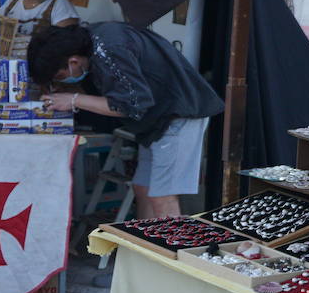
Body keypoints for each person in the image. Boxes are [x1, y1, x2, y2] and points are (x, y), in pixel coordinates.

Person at [28, 23, 224, 219]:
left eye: (60, 77)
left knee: (163, 196)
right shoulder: (96, 39)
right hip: (158, 119)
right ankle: (144, 244)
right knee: (143, 188)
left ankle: (170, 247)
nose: (62, 82)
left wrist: (73, 100)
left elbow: (130, 104)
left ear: (73, 62)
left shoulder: (109, 48)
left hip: (179, 114)